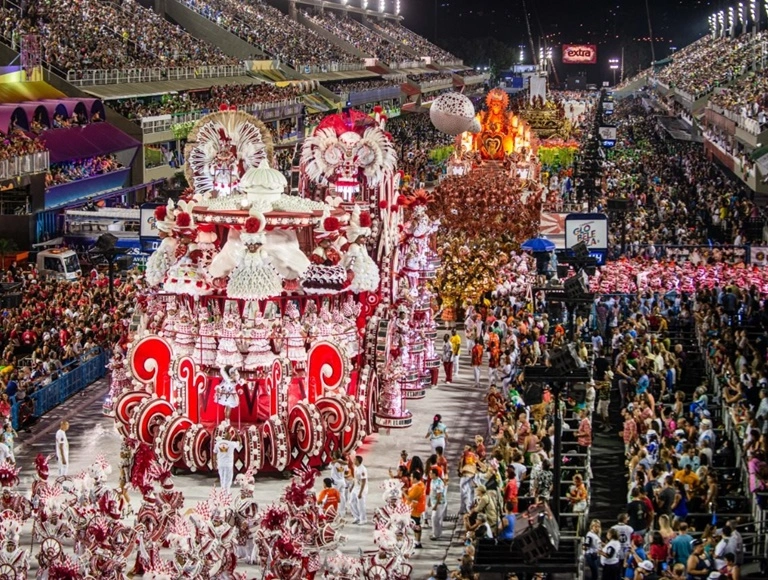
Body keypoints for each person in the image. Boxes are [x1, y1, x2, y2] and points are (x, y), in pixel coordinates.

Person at [214, 429, 241, 493]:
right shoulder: (231, 444)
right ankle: (226, 493)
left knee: (222, 479)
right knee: (228, 480)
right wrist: (237, 435)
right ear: (230, 437)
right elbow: (239, 443)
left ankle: (223, 492)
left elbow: (214, 452)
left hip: (220, 464)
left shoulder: (218, 443)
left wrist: (215, 461)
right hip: (228, 465)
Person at [405, 470, 426, 548]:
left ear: (415, 478)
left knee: (416, 525)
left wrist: (403, 492)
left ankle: (417, 542)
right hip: (415, 508)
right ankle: (417, 541)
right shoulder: (419, 484)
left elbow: (410, 498)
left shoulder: (417, 487)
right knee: (416, 525)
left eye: (411, 477)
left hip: (415, 509)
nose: (410, 478)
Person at [428, 467, 447, 541]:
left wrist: (436, 505)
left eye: (431, 473)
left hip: (439, 504)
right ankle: (438, 533)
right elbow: (432, 492)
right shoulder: (432, 481)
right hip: (434, 502)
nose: (429, 474)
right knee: (436, 518)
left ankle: (435, 534)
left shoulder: (439, 482)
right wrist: (429, 501)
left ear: (435, 474)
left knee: (435, 518)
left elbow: (439, 495)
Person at [350, 455, 368, 524]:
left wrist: (360, 492)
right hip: (355, 487)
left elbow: (363, 482)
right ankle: (356, 517)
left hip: (361, 488)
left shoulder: (363, 470)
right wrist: (352, 486)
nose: (353, 460)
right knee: (351, 501)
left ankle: (363, 519)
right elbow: (355, 478)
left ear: (357, 461)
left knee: (361, 504)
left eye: (354, 459)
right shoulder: (355, 467)